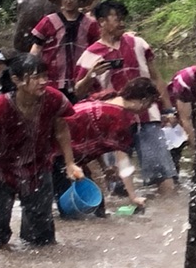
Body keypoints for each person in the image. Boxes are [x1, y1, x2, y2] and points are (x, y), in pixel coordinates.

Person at [0, 52, 85, 250]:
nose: (43, 82)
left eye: (45, 76)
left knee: (41, 236)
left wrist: (69, 163)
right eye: (36, 77)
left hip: (37, 168)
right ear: (17, 80)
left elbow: (61, 128)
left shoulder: (53, 99)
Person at [74, 0, 178, 195]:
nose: (122, 23)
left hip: (147, 117)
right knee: (117, 180)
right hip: (111, 123)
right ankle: (127, 212)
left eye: (123, 19)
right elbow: (78, 92)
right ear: (102, 21)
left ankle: (167, 210)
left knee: (162, 173)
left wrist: (168, 109)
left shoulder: (138, 44)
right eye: (117, 19)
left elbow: (156, 78)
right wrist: (91, 75)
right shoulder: (90, 55)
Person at [67, 78, 161, 212]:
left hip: (56, 146)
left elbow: (91, 137)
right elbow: (123, 162)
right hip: (61, 156)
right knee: (91, 208)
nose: (147, 108)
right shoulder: (119, 118)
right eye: (150, 104)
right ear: (144, 100)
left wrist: (105, 168)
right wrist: (133, 197)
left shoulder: (108, 97)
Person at [29, 0, 99, 97]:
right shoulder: (48, 21)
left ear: (79, 0)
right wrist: (32, 70)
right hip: (53, 80)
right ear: (61, 0)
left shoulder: (90, 24)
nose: (69, 1)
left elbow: (96, 49)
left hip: (81, 80)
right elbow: (37, 47)